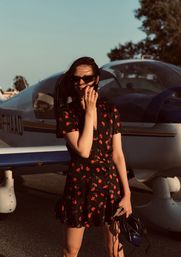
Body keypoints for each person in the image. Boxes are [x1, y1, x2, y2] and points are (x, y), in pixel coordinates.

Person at [54, 56, 132, 257]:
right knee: (71, 250)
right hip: (80, 185)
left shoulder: (110, 110)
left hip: (109, 185)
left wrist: (128, 194)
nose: (80, 83)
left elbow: (118, 154)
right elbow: (83, 150)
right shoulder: (66, 113)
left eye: (86, 78)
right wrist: (89, 113)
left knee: (115, 249)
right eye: (76, 79)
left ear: (96, 79)